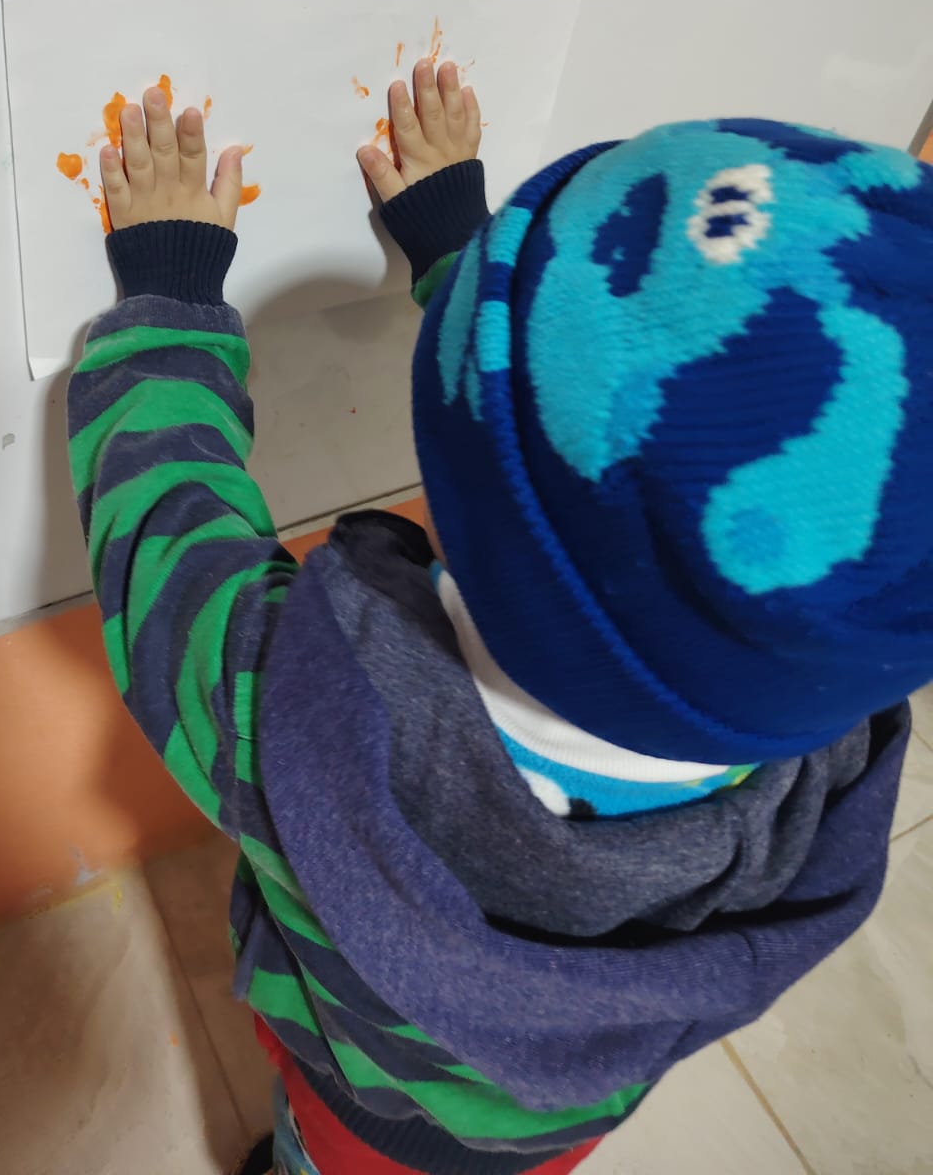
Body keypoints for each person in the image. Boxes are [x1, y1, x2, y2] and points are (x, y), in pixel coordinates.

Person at [67, 59, 929, 1175]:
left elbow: (162, 531)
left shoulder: (299, 710)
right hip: (558, 1132)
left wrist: (168, 295)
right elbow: (637, 497)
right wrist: (453, 249)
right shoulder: (829, 746)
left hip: (357, 1114)